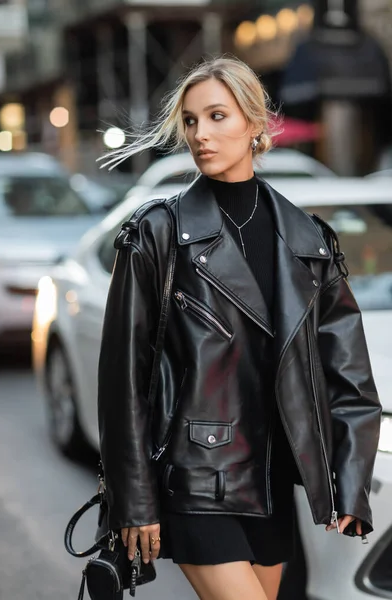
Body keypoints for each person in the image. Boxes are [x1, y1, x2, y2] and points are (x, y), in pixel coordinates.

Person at [97, 57, 381, 600]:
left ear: (254, 123)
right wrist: (134, 501)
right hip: (194, 479)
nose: (200, 134)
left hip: (273, 481)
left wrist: (349, 483)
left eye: (217, 116)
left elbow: (348, 375)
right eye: (191, 120)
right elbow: (122, 384)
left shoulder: (308, 240)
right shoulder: (159, 233)